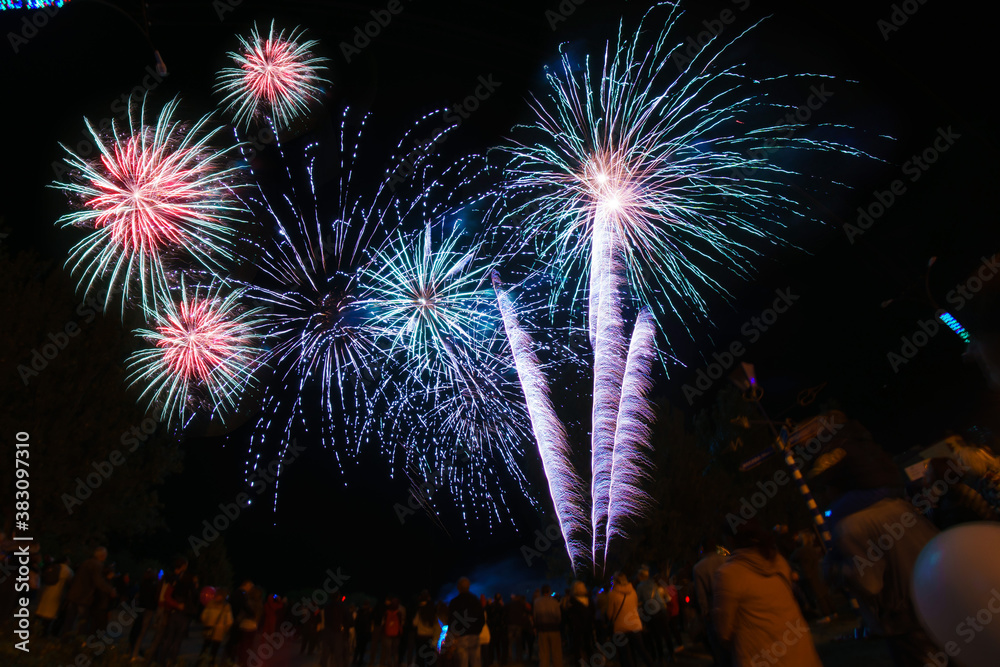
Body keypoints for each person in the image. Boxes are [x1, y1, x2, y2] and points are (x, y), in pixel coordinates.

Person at [802, 410, 939, 667]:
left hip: (904, 621)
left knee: (834, 518)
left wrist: (835, 569)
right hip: (934, 604)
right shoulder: (902, 509)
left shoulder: (852, 523)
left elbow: (869, 583)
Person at [712, 519, 822, 667]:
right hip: (798, 648)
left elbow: (724, 630)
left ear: (730, 540)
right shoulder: (777, 560)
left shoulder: (729, 574)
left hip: (759, 653)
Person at [62, 546, 116, 637]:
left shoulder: (86, 562)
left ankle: (65, 638)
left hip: (74, 594)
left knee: (70, 619)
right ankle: (79, 640)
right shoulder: (97, 565)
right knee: (83, 620)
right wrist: (110, 589)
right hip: (84, 596)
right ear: (102, 556)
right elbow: (98, 581)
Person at [155, 556, 200, 665]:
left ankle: (161, 661)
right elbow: (194, 597)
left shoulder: (174, 580)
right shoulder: (186, 581)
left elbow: (167, 595)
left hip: (175, 611)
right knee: (176, 640)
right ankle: (170, 661)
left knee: (168, 638)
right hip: (182, 612)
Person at [692, 539, 728, 666]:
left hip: (714, 613)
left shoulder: (699, 568)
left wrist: (705, 615)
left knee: (720, 653)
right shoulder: (727, 560)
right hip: (733, 607)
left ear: (702, 549)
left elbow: (701, 596)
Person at [607, 572, 653, 667]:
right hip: (635, 625)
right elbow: (635, 606)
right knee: (642, 650)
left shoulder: (613, 594)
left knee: (626, 655)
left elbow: (610, 614)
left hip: (621, 628)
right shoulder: (633, 591)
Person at [636, 565, 672, 664]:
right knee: (666, 634)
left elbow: (637, 602)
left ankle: (660, 657)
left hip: (652, 614)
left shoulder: (640, 587)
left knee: (657, 637)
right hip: (662, 611)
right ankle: (671, 654)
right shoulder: (653, 583)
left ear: (641, 576)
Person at [448, 577, 485, 667]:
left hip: (461, 636)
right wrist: (478, 630)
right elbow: (481, 618)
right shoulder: (475, 600)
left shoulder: (455, 602)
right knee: (476, 662)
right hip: (474, 635)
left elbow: (451, 620)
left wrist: (454, 633)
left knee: (462, 662)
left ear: (458, 587)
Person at [36, 556, 72, 637]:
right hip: (58, 592)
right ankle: (43, 632)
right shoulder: (67, 570)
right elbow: (70, 581)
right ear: (66, 561)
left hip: (46, 590)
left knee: (41, 611)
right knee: (50, 614)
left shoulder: (53, 567)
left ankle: (34, 628)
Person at [130, 568, 162, 660]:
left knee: (137, 631)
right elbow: (153, 599)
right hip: (148, 610)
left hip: (141, 609)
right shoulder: (152, 586)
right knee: (142, 632)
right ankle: (135, 654)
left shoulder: (143, 584)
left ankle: (132, 651)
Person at [563, 581, 594, 666]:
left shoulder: (571, 602)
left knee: (577, 648)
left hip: (576, 627)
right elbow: (593, 613)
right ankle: (591, 662)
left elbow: (568, 614)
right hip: (587, 626)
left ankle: (578, 664)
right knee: (588, 646)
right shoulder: (589, 600)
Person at [200, 588, 234, 665]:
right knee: (213, 650)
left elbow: (203, 616)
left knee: (205, 648)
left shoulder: (210, 604)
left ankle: (201, 662)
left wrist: (206, 623)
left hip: (210, 630)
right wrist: (225, 629)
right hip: (219, 631)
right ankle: (210, 663)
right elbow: (229, 621)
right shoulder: (226, 606)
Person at [532, 585, 561, 667]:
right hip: (554, 629)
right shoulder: (554, 602)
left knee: (543, 653)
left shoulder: (537, 602)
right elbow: (559, 617)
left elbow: (535, 616)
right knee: (556, 652)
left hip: (542, 630)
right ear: (549, 591)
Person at [414, 591, 440, 667]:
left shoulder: (420, 611)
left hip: (420, 638)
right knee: (430, 659)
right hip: (430, 638)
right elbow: (437, 627)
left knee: (420, 659)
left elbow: (414, 623)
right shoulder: (433, 613)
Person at [506, 594, 529, 664]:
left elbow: (505, 613)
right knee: (518, 643)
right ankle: (519, 658)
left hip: (510, 624)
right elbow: (526, 613)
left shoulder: (509, 604)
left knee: (510, 643)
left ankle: (510, 658)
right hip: (518, 625)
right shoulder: (521, 605)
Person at [486, 593, 507, 666]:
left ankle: (491, 660)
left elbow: (488, 617)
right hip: (500, 629)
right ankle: (499, 660)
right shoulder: (502, 607)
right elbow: (504, 618)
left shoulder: (490, 607)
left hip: (492, 629)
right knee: (499, 646)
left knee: (492, 646)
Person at [383, 598, 404, 667]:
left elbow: (384, 622)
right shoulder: (399, 613)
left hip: (388, 633)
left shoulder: (387, 612)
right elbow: (400, 623)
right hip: (396, 634)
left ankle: (389, 664)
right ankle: (396, 664)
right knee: (395, 651)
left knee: (388, 651)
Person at [354, 599, 374, 664]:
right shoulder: (368, 612)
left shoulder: (359, 611)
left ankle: (355, 660)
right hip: (364, 632)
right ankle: (360, 660)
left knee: (358, 647)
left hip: (360, 632)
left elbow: (356, 622)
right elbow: (370, 621)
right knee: (362, 648)